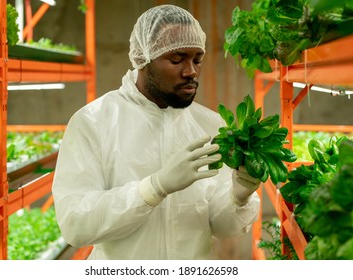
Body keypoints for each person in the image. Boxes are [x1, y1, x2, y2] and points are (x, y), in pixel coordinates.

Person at [52, 4, 260, 260]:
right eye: (176, 59)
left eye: (197, 59)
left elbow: (222, 226)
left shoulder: (210, 125)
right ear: (143, 59)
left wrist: (238, 197)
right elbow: (76, 224)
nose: (191, 71)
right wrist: (153, 188)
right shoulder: (94, 122)